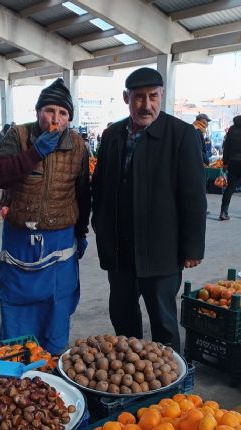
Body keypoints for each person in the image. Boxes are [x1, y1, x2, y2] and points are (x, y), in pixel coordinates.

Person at [91, 67, 207, 354]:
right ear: (126, 98)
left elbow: (194, 196)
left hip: (161, 249)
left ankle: (169, 384)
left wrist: (193, 247)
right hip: (120, 249)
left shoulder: (181, 135)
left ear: (162, 96)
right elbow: (100, 186)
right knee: (122, 315)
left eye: (153, 96)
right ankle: (133, 376)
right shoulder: (112, 135)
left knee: (163, 320)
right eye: (139, 97)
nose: (147, 104)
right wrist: (101, 228)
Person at [0, 78, 90, 355]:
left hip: (60, 238)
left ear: (69, 118)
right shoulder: (18, 136)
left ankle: (54, 355)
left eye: (63, 113)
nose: (55, 118)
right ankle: (16, 354)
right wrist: (35, 153)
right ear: (37, 112)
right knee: (17, 299)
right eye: (49, 110)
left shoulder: (78, 146)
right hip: (21, 237)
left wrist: (81, 232)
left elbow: (82, 192)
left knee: (58, 302)